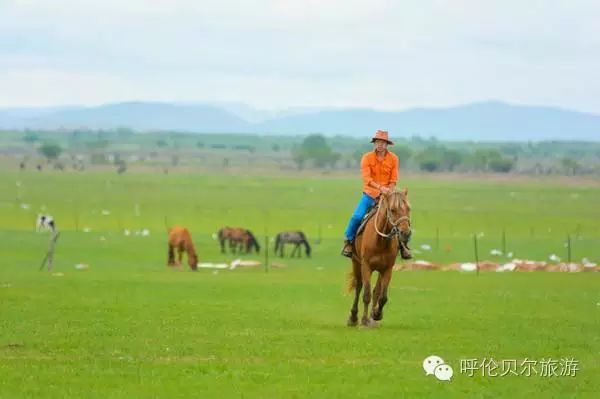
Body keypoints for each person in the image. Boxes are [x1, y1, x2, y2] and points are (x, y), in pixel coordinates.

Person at [341, 129, 411, 259]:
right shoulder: (367, 158)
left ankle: (403, 246)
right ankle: (348, 242)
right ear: (374, 143)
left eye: (383, 142)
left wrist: (389, 191)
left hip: (387, 196)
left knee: (400, 217)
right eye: (378, 142)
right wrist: (380, 188)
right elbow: (367, 179)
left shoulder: (394, 159)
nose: (380, 145)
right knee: (356, 217)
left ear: (387, 144)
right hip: (370, 194)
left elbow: (393, 179)